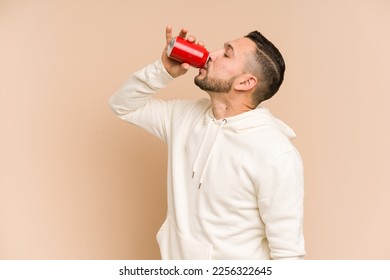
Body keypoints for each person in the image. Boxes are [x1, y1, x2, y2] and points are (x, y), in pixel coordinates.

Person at [109, 26, 305, 260]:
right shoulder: (182, 117)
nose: (211, 53)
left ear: (245, 82)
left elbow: (288, 256)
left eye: (227, 53)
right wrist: (162, 71)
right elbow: (122, 105)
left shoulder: (275, 154)